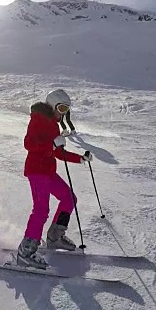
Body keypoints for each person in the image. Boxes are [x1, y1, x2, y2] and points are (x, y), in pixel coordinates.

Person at [17, 89, 93, 269]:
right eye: (61, 107)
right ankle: (25, 252)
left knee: (69, 198)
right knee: (41, 210)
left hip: (48, 172)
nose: (63, 112)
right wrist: (51, 143)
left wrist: (80, 158)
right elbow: (29, 144)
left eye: (66, 109)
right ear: (52, 105)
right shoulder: (38, 120)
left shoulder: (54, 125)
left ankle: (55, 237)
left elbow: (58, 152)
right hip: (37, 171)